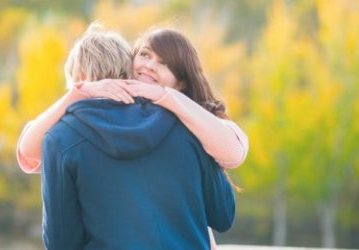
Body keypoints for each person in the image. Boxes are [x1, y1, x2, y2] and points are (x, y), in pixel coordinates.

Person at [16, 23, 248, 248]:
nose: (150, 67)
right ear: (128, 67)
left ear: (79, 78)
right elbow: (223, 216)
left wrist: (75, 95)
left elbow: (62, 242)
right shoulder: (191, 125)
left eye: (164, 64)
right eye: (145, 55)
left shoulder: (60, 138)